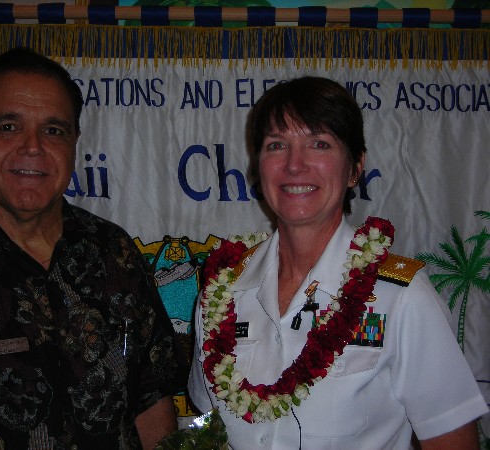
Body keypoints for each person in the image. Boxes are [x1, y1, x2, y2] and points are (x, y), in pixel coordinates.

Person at [0, 47, 181, 449]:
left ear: (74, 144)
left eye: (54, 130)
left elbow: (152, 404)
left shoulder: (114, 252)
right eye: (7, 127)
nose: (33, 146)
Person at [188, 76, 488, 449]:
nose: (294, 165)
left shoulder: (401, 298)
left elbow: (452, 442)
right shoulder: (222, 293)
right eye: (276, 145)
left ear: (354, 168)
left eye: (319, 144)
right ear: (258, 167)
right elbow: (207, 428)